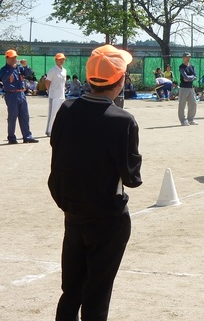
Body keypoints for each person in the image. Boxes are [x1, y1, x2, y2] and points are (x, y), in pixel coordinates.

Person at [48, 44, 142, 321]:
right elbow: (132, 178)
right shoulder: (123, 120)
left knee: (71, 291)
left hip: (73, 211)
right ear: (120, 80)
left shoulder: (66, 109)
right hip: (107, 215)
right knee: (97, 294)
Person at [0, 49, 39, 144]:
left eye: (15, 57)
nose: (14, 59)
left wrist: (25, 66)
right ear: (7, 58)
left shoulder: (19, 68)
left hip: (21, 94)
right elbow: (4, 78)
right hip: (11, 94)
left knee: (25, 116)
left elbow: (29, 74)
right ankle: (11, 137)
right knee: (12, 116)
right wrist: (12, 68)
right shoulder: (4, 69)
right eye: (12, 57)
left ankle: (27, 136)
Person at [45, 53, 68, 136]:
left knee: (61, 113)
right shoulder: (52, 70)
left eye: (63, 59)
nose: (61, 61)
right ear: (56, 60)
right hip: (54, 95)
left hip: (62, 95)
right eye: (60, 59)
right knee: (52, 113)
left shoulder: (64, 70)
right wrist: (50, 91)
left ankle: (58, 129)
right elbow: (47, 82)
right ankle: (49, 130)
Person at [178, 52, 198, 126]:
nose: (188, 58)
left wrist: (189, 78)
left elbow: (196, 77)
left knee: (193, 103)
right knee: (182, 104)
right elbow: (185, 77)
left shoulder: (192, 67)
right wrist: (191, 77)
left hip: (191, 87)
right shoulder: (181, 67)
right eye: (186, 57)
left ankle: (191, 119)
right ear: (183, 58)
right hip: (183, 87)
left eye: (189, 57)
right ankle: (183, 120)